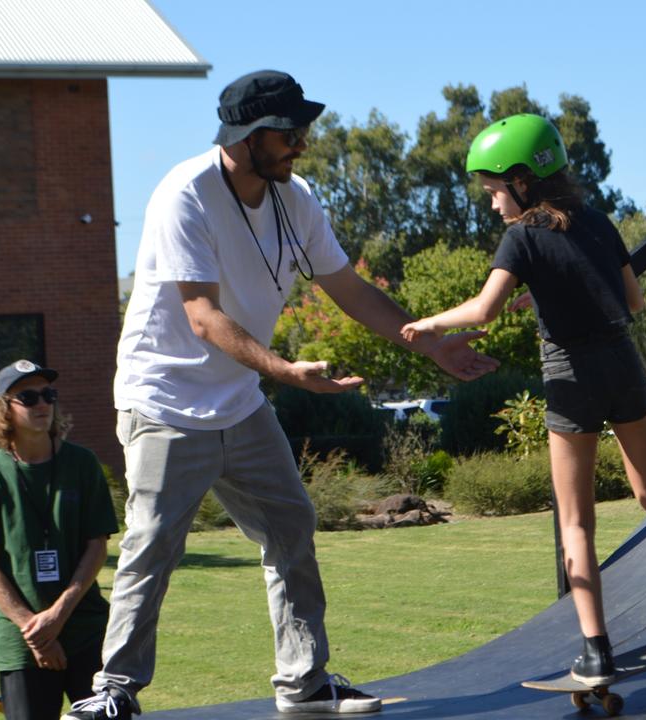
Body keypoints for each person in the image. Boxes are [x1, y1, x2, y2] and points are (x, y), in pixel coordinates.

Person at [65, 70, 497, 720]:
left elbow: (349, 289)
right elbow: (202, 317)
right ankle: (113, 692)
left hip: (238, 401)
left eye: (303, 131)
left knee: (291, 524)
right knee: (153, 542)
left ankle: (304, 684)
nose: (301, 143)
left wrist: (426, 341)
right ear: (247, 135)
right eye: (289, 132)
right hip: (165, 401)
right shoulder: (185, 193)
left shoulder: (297, 199)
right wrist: (287, 371)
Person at [400, 114, 646, 686]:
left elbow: (483, 310)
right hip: (623, 367)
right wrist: (546, 294)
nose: (492, 205)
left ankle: (596, 649)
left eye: (493, 192)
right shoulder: (597, 222)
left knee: (576, 521)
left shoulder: (521, 237)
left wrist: (429, 325)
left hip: (571, 379)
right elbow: (631, 302)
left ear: (521, 181)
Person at [0, 360, 118, 720]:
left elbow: (97, 546)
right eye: (28, 397)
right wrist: (35, 632)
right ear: (4, 410)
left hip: (87, 631)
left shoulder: (83, 464)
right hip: (21, 643)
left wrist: (57, 616)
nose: (42, 404)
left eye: (49, 394)